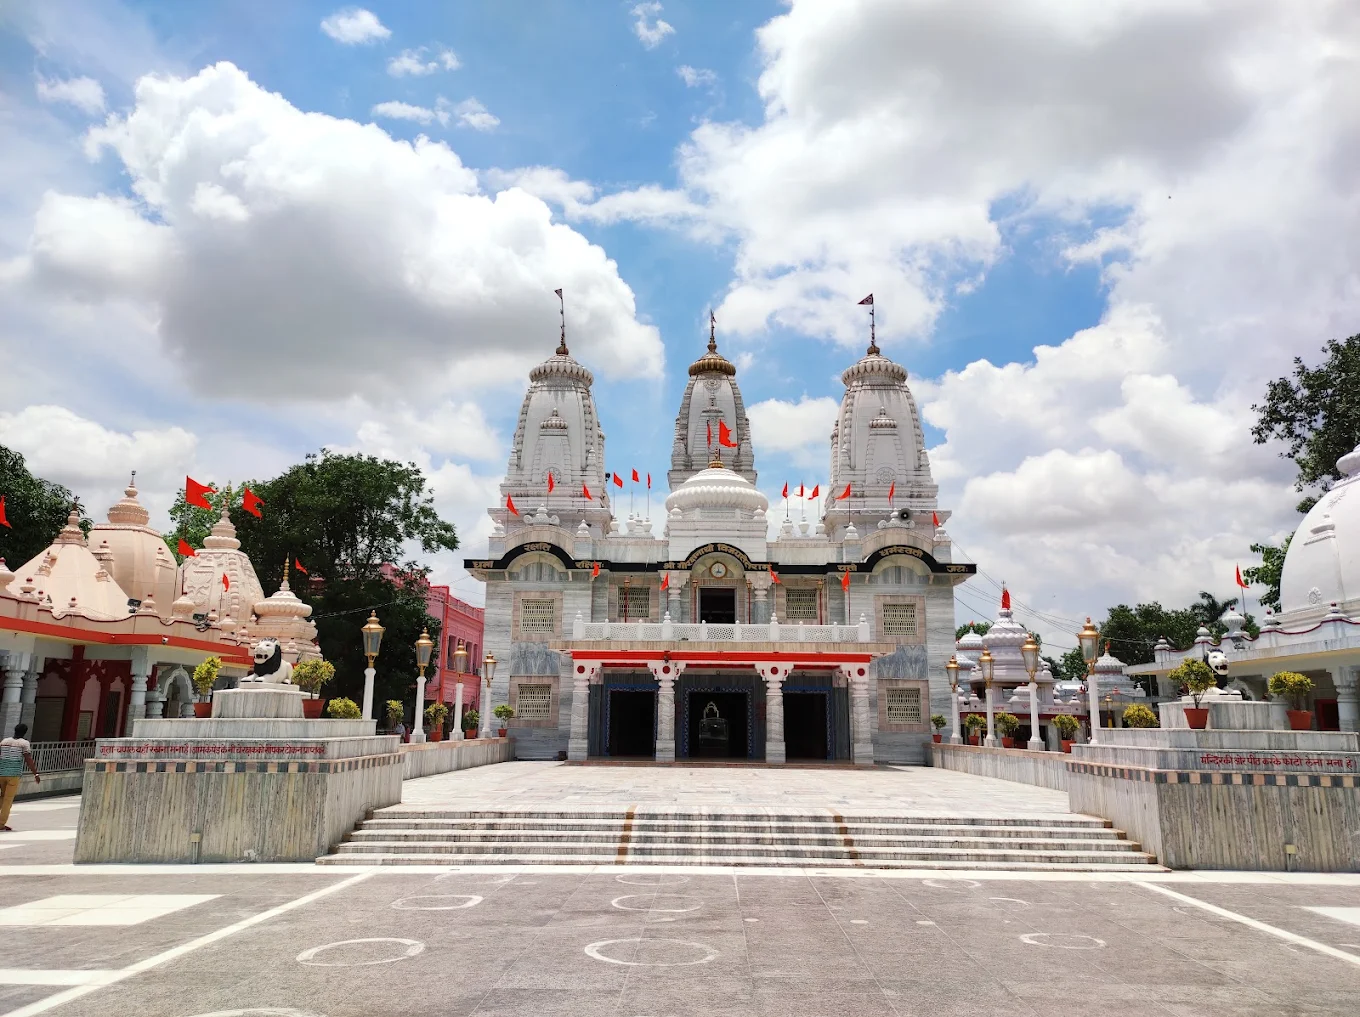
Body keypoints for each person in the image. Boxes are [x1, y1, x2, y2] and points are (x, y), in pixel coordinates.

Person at [1, 723, 41, 832]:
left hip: (1, 773)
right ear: (25, 732)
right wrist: (36, 773)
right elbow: (28, 759)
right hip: (13, 775)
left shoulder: (4, 741)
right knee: (7, 800)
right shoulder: (24, 743)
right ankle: (1, 824)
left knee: (2, 797)